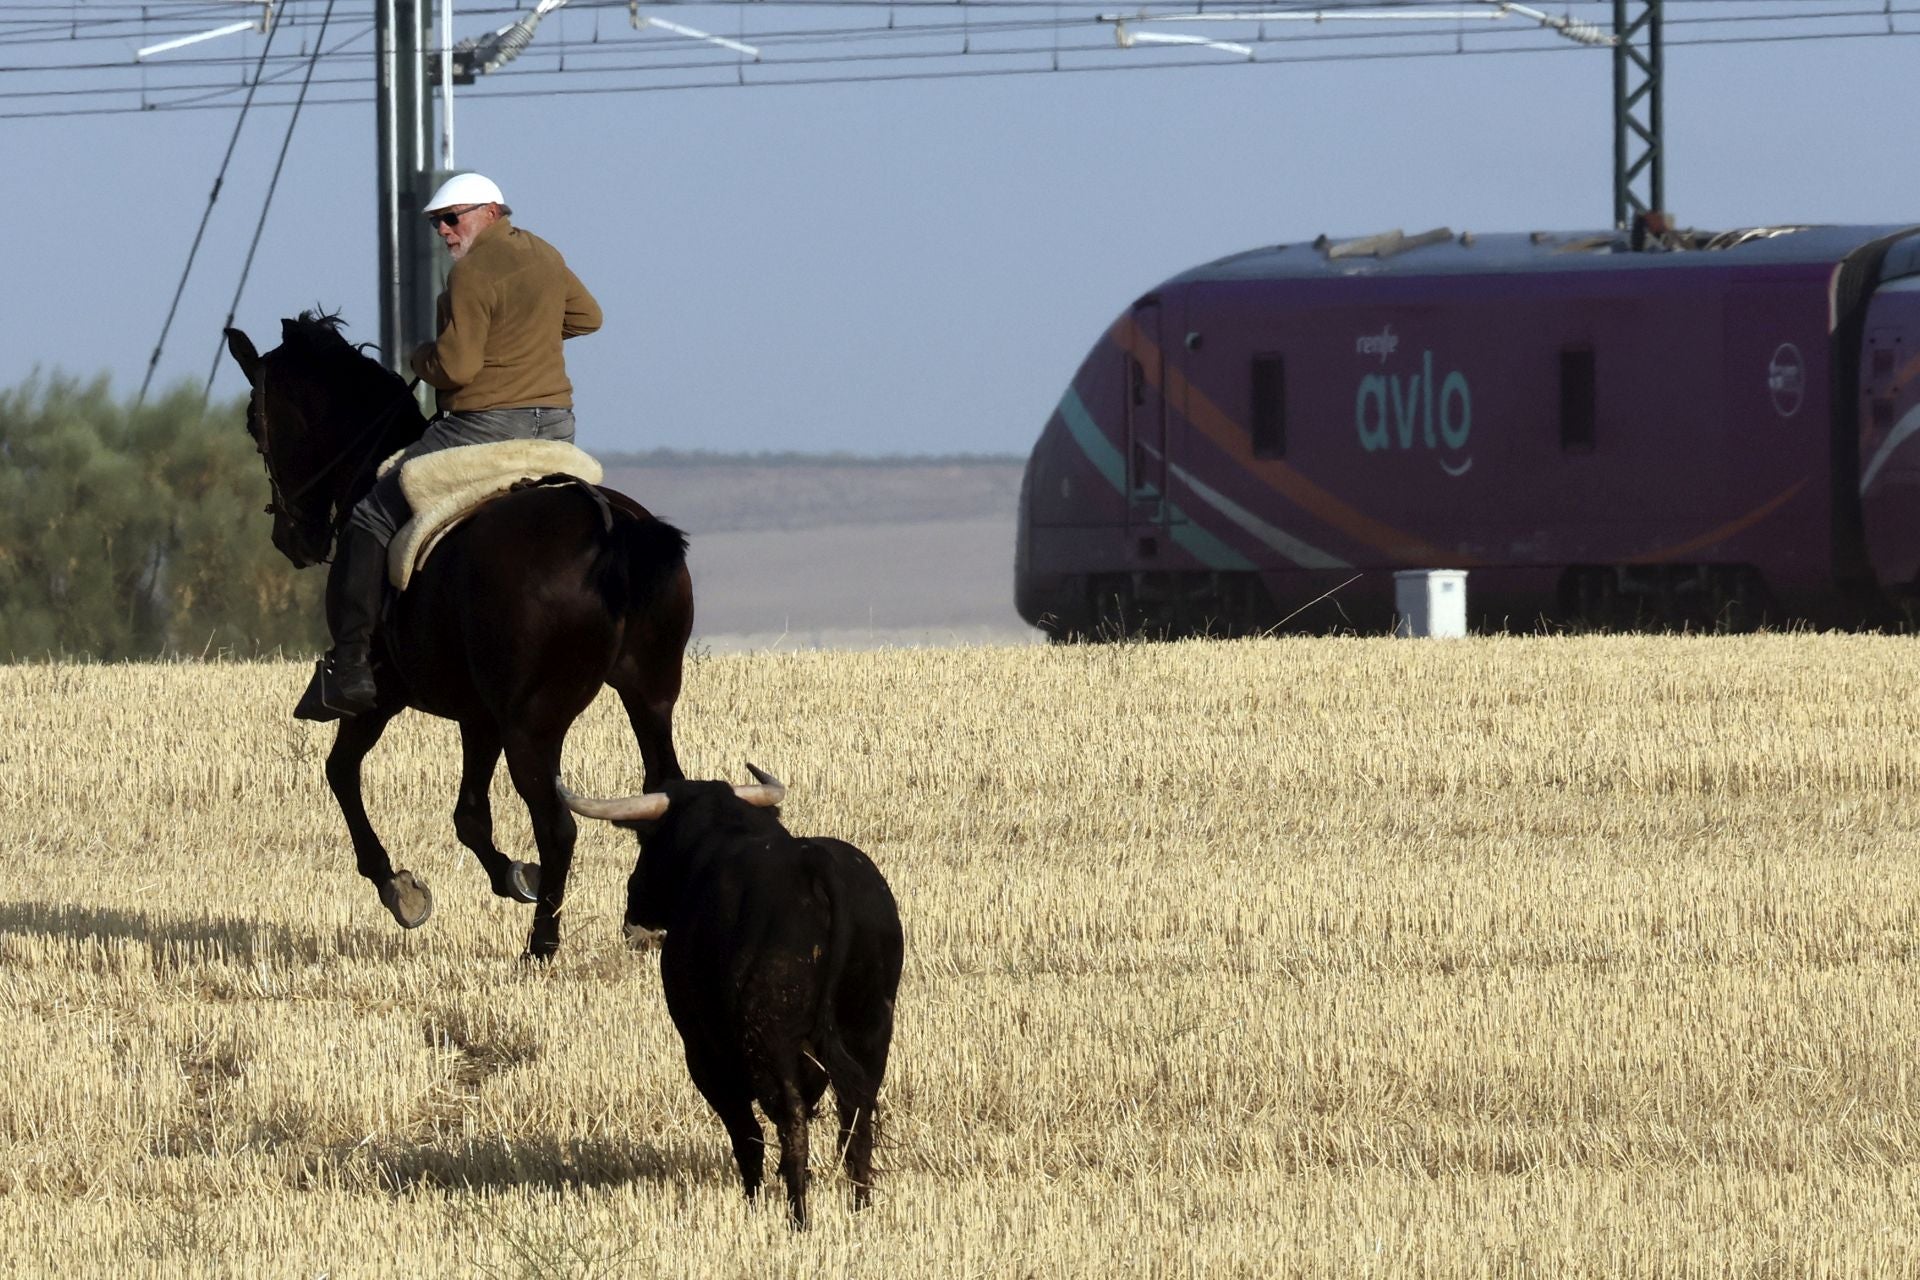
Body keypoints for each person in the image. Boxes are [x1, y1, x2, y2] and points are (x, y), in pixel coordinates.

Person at [297, 171, 603, 721]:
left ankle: (351, 666)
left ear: (490, 211)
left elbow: (456, 367)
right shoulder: (546, 254)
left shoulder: (471, 273)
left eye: (451, 218)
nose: (442, 230)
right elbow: (588, 318)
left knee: (370, 511)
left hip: (482, 428)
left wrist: (420, 359)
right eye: (437, 222)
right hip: (557, 427)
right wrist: (526, 336)